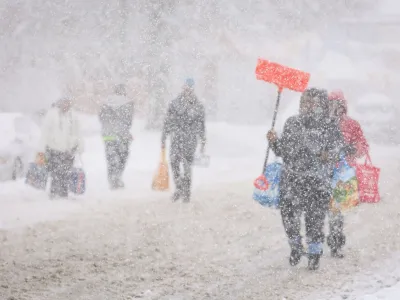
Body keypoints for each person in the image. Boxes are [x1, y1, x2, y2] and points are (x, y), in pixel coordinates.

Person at [267, 88, 347, 270]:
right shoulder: (292, 123)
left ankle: (314, 252)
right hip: (292, 179)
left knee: (315, 219)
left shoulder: (329, 126)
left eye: (312, 102)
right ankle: (295, 246)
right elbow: (283, 151)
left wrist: (329, 154)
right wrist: (273, 142)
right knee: (288, 218)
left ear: (322, 105)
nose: (308, 106)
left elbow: (337, 149)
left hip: (317, 182)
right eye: (304, 102)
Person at [327, 90, 369, 258]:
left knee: (336, 209)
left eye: (337, 105)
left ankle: (335, 240)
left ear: (343, 106)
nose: (334, 108)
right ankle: (317, 241)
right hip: (323, 171)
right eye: (331, 105)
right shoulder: (322, 123)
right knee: (321, 209)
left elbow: (363, 145)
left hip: (343, 174)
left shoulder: (352, 125)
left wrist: (354, 149)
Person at [161, 78, 206, 203]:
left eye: (189, 88)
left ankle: (186, 191)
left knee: (187, 166)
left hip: (190, 140)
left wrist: (202, 140)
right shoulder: (175, 103)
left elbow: (201, 125)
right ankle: (179, 187)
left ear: (192, 89)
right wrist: (164, 137)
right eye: (185, 88)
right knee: (174, 163)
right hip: (176, 138)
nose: (187, 90)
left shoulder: (197, 105)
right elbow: (168, 121)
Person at [38, 97, 83, 199]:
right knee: (55, 173)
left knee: (66, 173)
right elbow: (45, 132)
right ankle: (53, 193)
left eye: (67, 103)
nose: (65, 105)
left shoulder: (73, 116)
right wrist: (41, 149)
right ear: (60, 103)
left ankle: (63, 193)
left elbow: (78, 133)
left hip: (69, 150)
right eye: (64, 103)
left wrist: (79, 147)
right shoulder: (52, 115)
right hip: (54, 149)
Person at [99, 84, 134, 189]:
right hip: (122, 136)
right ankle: (117, 178)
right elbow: (129, 122)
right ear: (123, 92)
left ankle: (112, 179)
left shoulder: (106, 103)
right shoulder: (128, 103)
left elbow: (101, 118)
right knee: (122, 157)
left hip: (108, 135)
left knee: (111, 159)